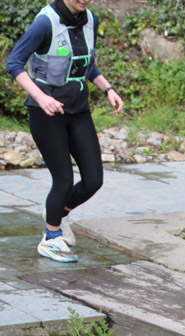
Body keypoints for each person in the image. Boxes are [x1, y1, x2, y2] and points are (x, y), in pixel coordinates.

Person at [6, 0, 123, 263]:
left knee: (94, 180)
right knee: (63, 180)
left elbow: (86, 64)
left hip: (78, 110)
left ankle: (59, 215)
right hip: (46, 113)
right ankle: (50, 238)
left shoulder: (90, 19)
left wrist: (108, 89)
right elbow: (14, 63)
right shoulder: (45, 23)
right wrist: (41, 97)